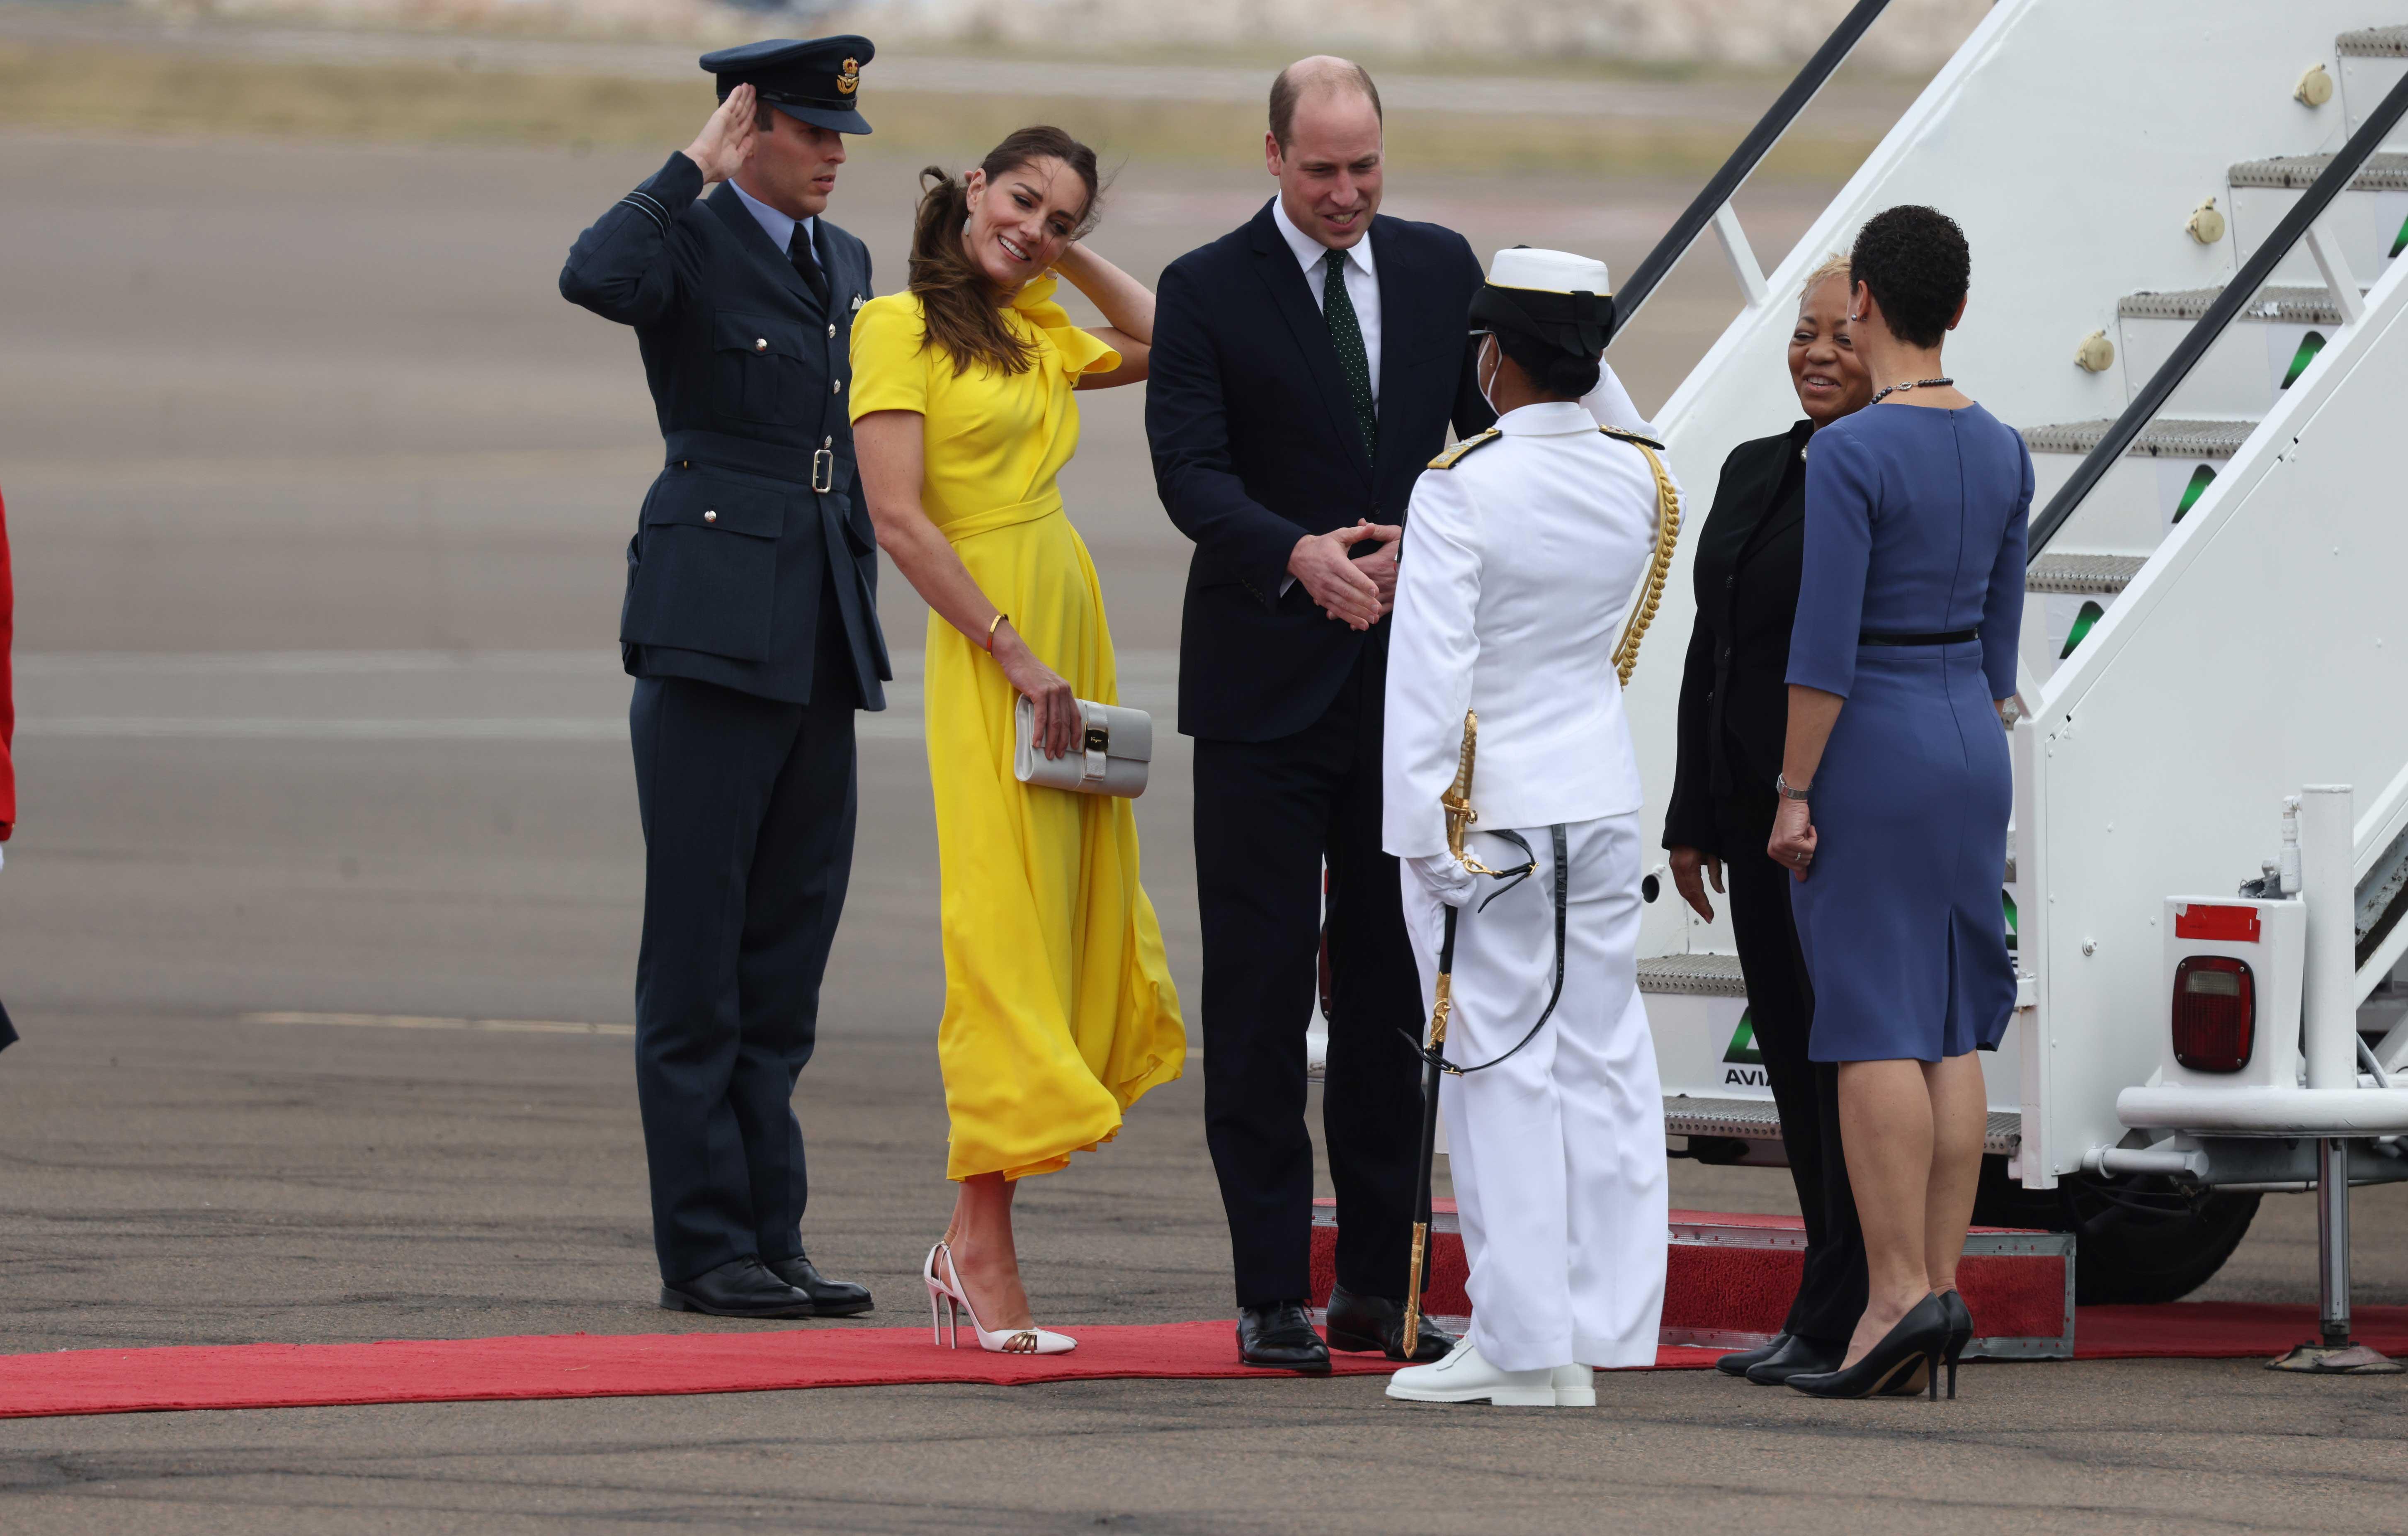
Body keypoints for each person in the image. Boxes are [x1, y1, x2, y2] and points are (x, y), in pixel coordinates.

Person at [1148, 58, 1655, 1374]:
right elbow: (1189, 471)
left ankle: (1380, 1281)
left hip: (1408, 702)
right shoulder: (1208, 289)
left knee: (1391, 999)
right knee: (1260, 1001)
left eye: (1365, 168)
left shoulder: (1437, 270)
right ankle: (1271, 1288)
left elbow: (1502, 439)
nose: (1346, 194)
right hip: (1264, 694)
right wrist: (1298, 552)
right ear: (1271, 157)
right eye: (1320, 171)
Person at [559, 36, 889, 1320]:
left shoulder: (846, 262)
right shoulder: (688, 235)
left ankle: (773, 1232)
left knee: (783, 958)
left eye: (840, 136)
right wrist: (687, 168)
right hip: (710, 626)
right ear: (749, 126)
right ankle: (705, 1247)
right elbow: (595, 276)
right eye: (810, 132)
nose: (831, 156)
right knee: (697, 957)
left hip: (816, 627)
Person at [850, 129, 1186, 1356]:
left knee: (1058, 921)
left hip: (1064, 628)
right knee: (999, 926)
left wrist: (1075, 261)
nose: (1034, 228)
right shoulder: (896, 327)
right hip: (991, 644)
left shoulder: (1039, 323)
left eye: (1062, 218)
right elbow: (898, 517)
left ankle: (973, 1236)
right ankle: (979, 1250)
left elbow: (1171, 342)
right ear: (972, 187)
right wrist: (1008, 647)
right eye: (1023, 200)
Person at [1380, 247, 1682, 1408]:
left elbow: (1432, 675)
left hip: (1491, 816)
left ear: (1495, 356)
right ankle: (1600, 1325)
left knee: (1499, 1069)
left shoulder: (1461, 487)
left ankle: (1519, 1339)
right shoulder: (1640, 478)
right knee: (1602, 1059)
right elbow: (1630, 427)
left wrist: (1420, 831)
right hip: (1599, 802)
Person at [1767, 205, 2026, 1400]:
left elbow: (1821, 651)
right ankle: (1937, 1286)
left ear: (1863, 300)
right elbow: (2003, 644)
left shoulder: (1852, 453)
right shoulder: (2005, 446)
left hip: (1873, 734)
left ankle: (1890, 1299)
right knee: (1950, 1023)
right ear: (1960, 309)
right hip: (1970, 735)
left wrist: (1793, 788)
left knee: (1872, 1019)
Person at [1663, 253, 1874, 1387]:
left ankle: (1851, 1296)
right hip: (1754, 811)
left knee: (1849, 1058)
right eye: (1804, 333)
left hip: (1841, 813)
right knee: (1792, 1058)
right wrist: (1693, 814)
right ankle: (1823, 1291)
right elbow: (1714, 647)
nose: (1818, 354)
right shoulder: (1753, 469)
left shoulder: (1886, 470)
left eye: (1843, 335)